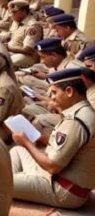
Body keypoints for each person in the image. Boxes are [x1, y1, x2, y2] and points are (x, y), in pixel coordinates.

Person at [10, 68, 95, 208]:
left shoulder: (76, 121)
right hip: (63, 179)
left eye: (55, 92)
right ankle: (17, 182)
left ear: (69, 91)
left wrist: (26, 142)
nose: (52, 98)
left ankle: (12, 184)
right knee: (17, 151)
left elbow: (52, 166)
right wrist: (39, 139)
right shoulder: (85, 111)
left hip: (64, 189)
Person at [4, 0, 42, 69]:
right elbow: (9, 35)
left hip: (27, 56)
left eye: (14, 12)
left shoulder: (32, 26)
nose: (11, 15)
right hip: (13, 51)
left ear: (24, 11)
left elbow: (28, 50)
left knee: (6, 62)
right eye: (11, 12)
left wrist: (8, 48)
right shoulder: (16, 22)